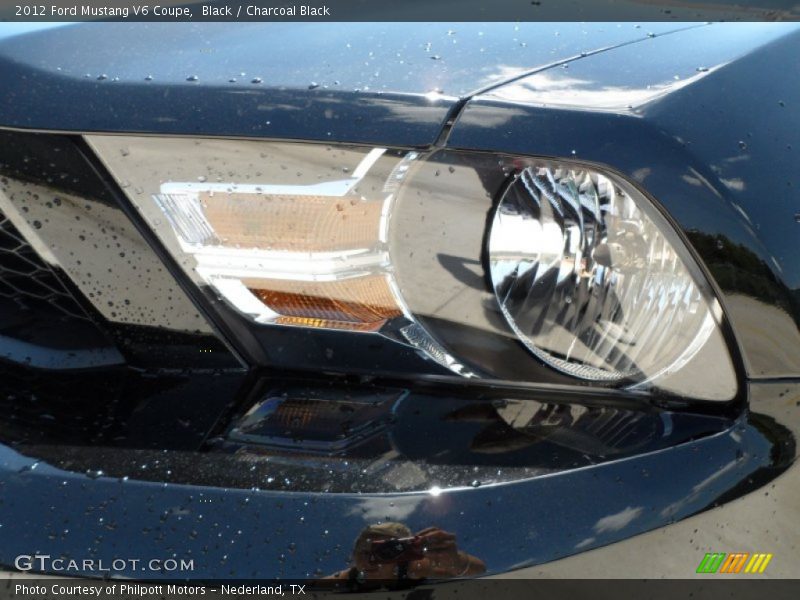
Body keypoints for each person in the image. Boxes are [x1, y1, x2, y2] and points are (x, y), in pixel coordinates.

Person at [319, 522, 486, 590]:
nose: (370, 560)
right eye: (363, 552)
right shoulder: (351, 576)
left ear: (401, 556)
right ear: (353, 556)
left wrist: (455, 561)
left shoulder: (412, 568)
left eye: (384, 552)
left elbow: (479, 570)